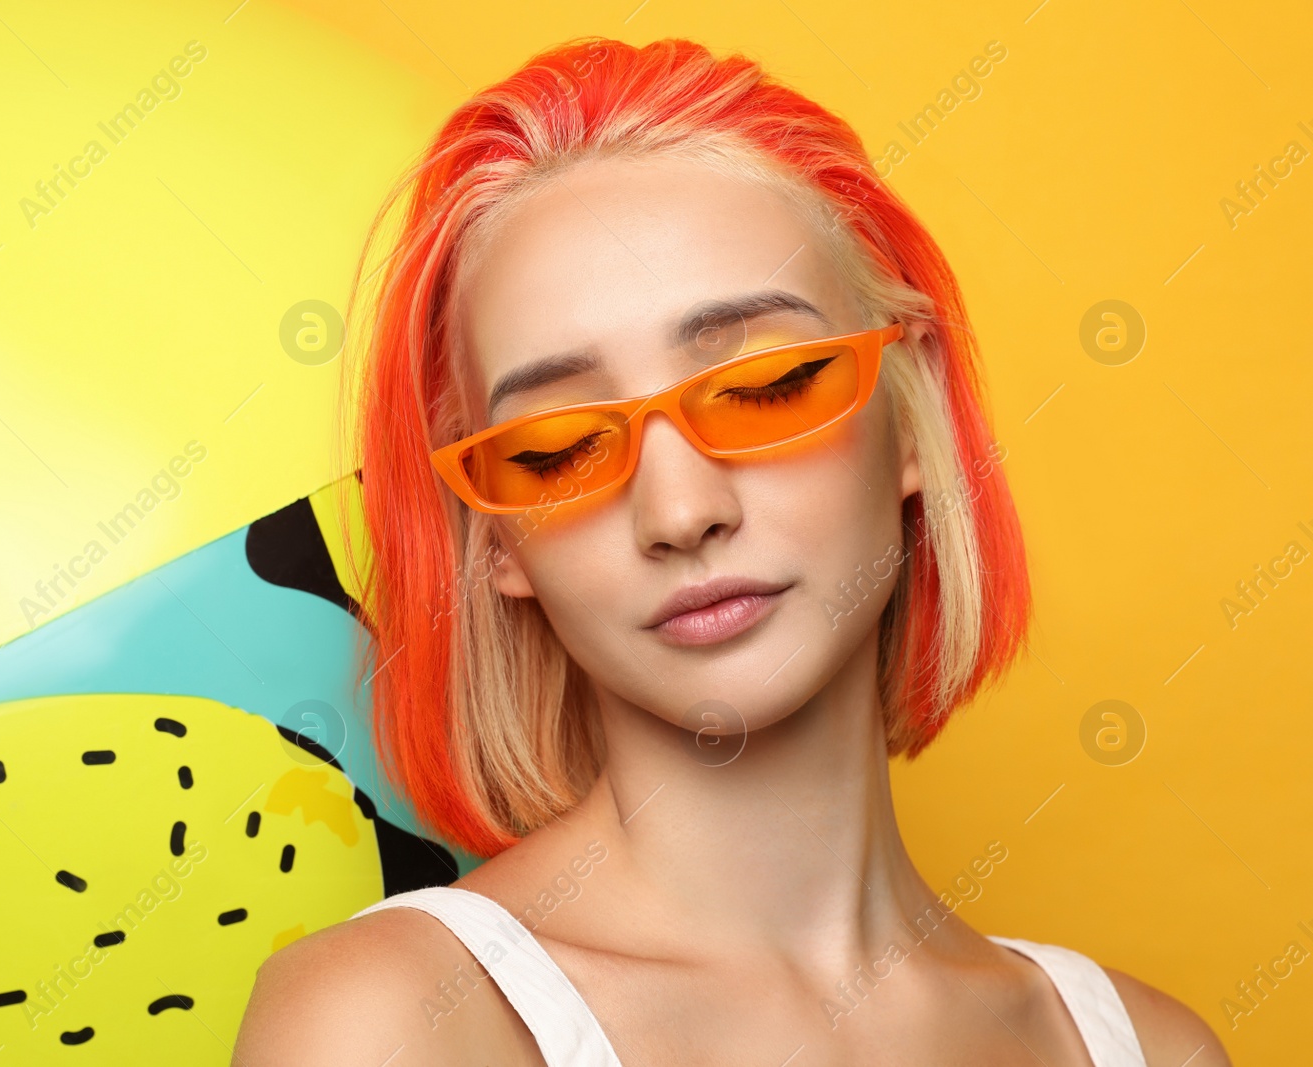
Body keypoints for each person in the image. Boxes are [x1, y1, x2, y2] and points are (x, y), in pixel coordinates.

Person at [234, 36, 1230, 1066]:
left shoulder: (1143, 1046)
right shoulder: (395, 1020)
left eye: (767, 387)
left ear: (912, 405)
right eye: (559, 447)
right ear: (496, 541)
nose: (678, 509)